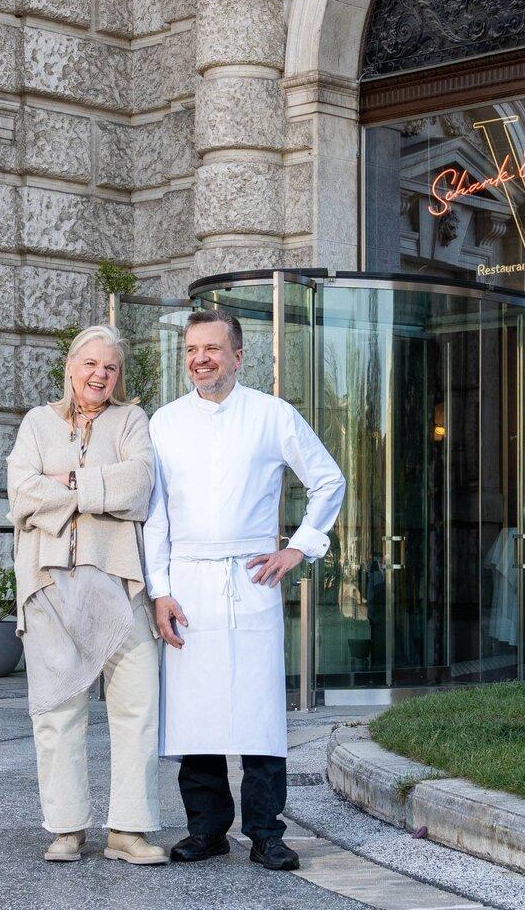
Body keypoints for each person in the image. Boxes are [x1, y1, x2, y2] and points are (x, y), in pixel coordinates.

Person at [145, 308, 345, 871]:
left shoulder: (272, 415)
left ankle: (265, 833)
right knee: (195, 715)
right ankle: (206, 830)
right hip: (187, 582)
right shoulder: (164, 422)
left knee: (259, 716)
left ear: (238, 355)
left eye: (212, 348)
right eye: (191, 350)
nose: (200, 359)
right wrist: (159, 590)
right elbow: (154, 516)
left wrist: (299, 547)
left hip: (249, 579)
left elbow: (328, 479)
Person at [7, 324, 167, 866]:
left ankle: (128, 829)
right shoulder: (36, 423)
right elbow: (21, 491)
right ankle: (66, 827)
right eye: (90, 364)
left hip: (120, 585)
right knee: (57, 711)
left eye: (111, 367)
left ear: (119, 376)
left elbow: (139, 485)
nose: (100, 375)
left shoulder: (132, 421)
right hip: (49, 583)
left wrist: (69, 483)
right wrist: (99, 487)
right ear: (71, 367)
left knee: (137, 708)